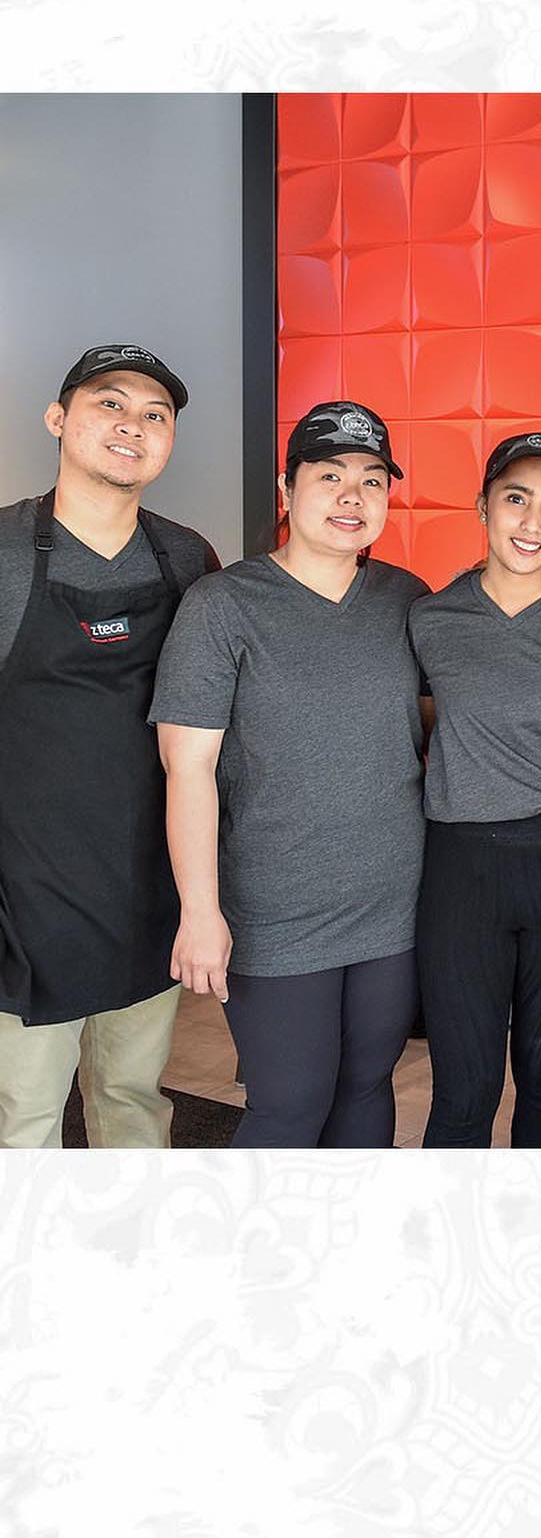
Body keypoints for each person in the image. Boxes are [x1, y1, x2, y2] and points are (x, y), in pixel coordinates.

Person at [150, 402, 427, 1148]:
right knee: (290, 1104)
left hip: (393, 901)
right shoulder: (223, 606)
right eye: (329, 476)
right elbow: (187, 767)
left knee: (367, 1083)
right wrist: (199, 911)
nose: (352, 496)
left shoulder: (408, 599)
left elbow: (463, 719)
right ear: (287, 487)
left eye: (372, 481)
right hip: (274, 908)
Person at [0, 346, 217, 1149]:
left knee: (133, 1100)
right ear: (59, 419)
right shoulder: (4, 553)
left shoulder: (187, 559)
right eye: (110, 404)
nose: (134, 426)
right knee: (26, 1120)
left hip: (145, 891)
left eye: (156, 415)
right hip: (25, 897)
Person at [408, 432, 541, 1148]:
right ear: (483, 507)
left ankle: (537, 1223)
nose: (533, 522)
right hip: (461, 870)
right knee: (463, 1091)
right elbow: (421, 721)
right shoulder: (432, 618)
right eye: (516, 499)